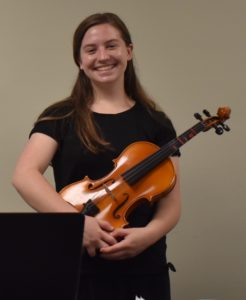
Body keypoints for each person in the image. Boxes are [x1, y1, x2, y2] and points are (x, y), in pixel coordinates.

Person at [12, 12, 181, 300]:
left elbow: (171, 206)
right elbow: (24, 175)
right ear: (79, 60)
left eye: (111, 45)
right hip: (77, 267)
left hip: (143, 268)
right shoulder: (59, 116)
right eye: (91, 49)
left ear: (128, 51)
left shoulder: (156, 123)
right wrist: (77, 225)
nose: (102, 56)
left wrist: (147, 236)